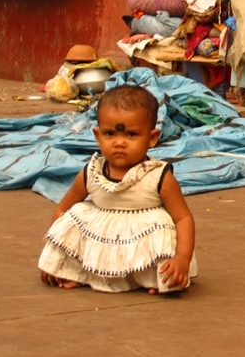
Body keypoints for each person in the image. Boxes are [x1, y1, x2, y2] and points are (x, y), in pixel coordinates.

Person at [38, 84, 197, 294]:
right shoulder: (91, 173)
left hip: (142, 244)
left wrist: (182, 259)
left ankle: (151, 278)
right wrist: (55, 258)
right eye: (110, 134)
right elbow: (62, 212)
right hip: (101, 242)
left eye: (131, 135)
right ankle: (82, 272)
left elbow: (183, 219)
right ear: (97, 135)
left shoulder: (159, 176)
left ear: (152, 138)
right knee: (76, 214)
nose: (119, 143)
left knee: (164, 231)